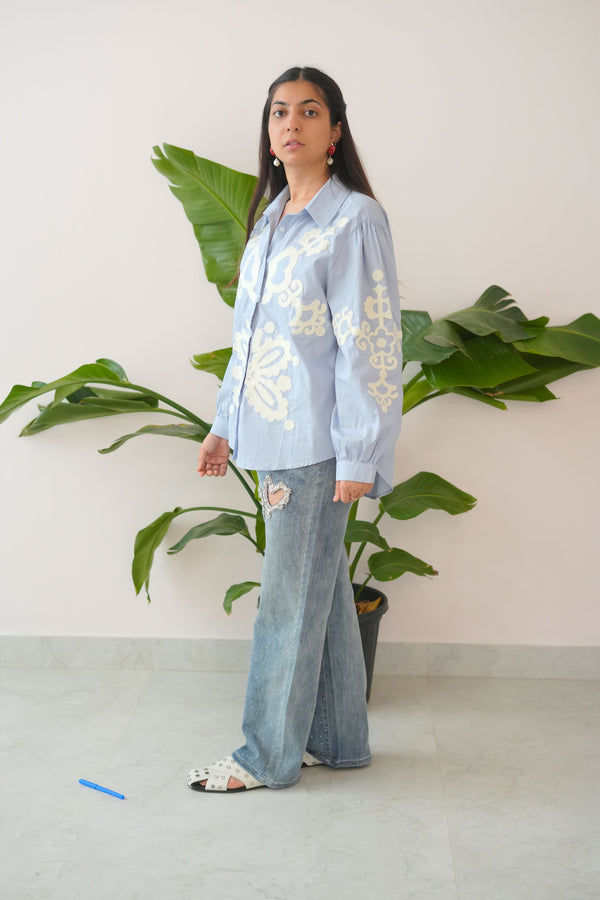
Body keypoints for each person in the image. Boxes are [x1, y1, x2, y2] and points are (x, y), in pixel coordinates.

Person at [188, 66, 402, 793]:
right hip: (269, 439)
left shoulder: (354, 220)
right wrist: (223, 426)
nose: (292, 123)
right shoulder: (270, 221)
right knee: (321, 589)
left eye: (310, 111)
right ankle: (339, 741)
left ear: (335, 131)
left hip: (317, 445)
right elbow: (250, 339)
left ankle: (264, 757)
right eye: (280, 111)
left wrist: (360, 455)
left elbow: (369, 347)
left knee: (286, 603)